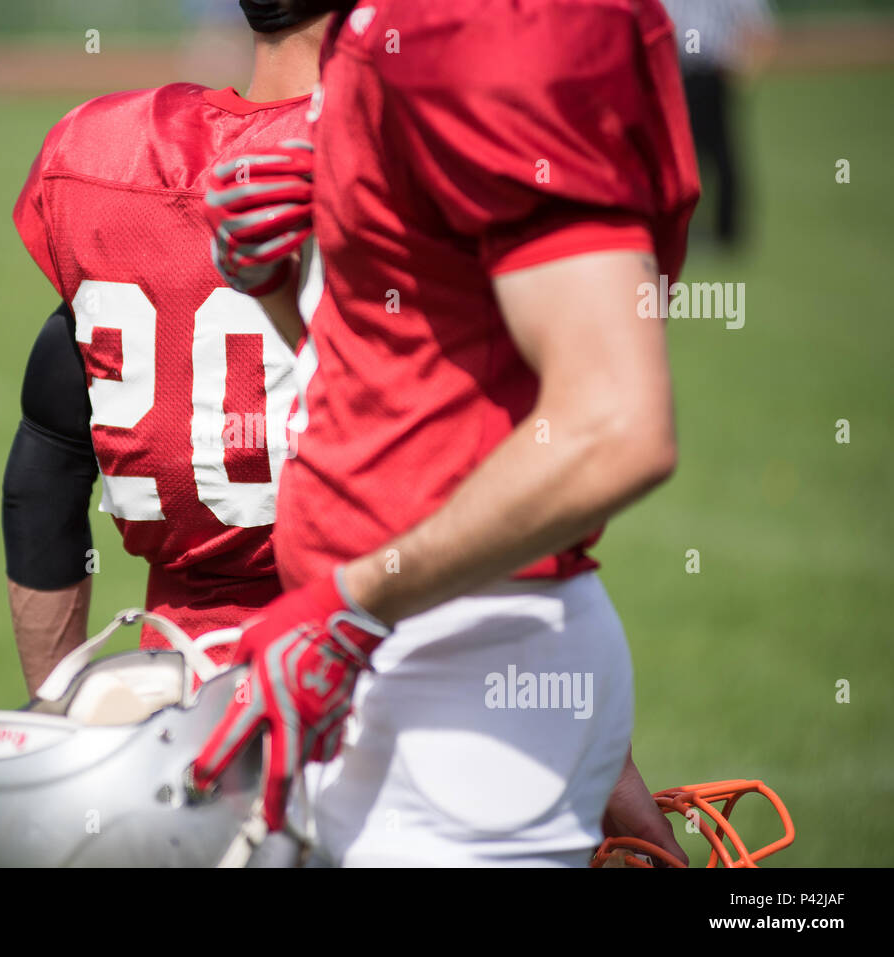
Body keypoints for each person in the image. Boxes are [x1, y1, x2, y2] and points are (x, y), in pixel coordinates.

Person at [193, 0, 703, 866]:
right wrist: (279, 280)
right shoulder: (396, 24)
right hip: (406, 651)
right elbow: (415, 394)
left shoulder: (485, 23)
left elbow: (617, 425)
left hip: (460, 670)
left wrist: (348, 605)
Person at [2, 3, 326, 695]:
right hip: (391, 676)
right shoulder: (410, 163)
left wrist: (56, 710)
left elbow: (49, 452)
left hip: (189, 686)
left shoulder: (105, 157)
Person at [662, 0, 776, 245]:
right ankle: (678, 227)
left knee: (720, 152)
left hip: (713, 72)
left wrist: (744, 72)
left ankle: (726, 230)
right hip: (677, 72)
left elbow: (760, 28)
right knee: (677, 155)